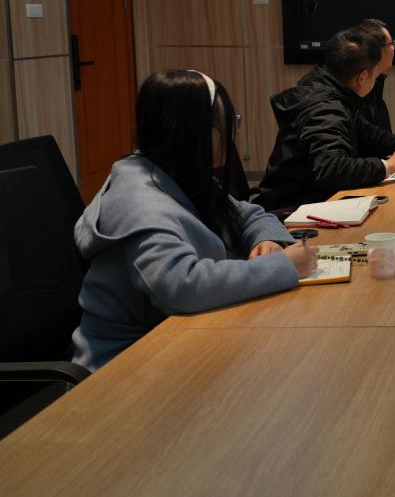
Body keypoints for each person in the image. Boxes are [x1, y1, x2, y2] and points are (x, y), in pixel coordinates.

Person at [72, 70, 316, 371]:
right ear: (191, 131)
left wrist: (265, 239)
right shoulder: (139, 202)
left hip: (179, 341)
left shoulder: (174, 173)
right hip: (123, 368)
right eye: (226, 125)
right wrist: (282, 267)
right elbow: (181, 286)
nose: (231, 135)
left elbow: (247, 214)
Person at [254, 28, 395, 212]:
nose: (377, 79)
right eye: (376, 74)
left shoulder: (332, 89)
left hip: (312, 199)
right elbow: (332, 169)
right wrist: (390, 165)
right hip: (292, 209)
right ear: (362, 77)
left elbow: (365, 131)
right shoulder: (325, 109)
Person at [351, 18, 395, 135]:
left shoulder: (376, 84)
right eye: (391, 44)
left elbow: (379, 138)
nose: (394, 48)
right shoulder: (356, 88)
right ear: (376, 50)